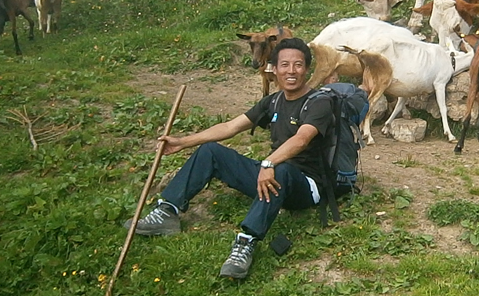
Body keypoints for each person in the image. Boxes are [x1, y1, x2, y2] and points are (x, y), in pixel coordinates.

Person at [125, 38, 333, 280]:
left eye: (298, 65)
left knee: (281, 169)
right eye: (284, 65)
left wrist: (269, 163)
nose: (291, 71)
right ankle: (167, 211)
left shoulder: (319, 102)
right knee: (210, 151)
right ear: (274, 69)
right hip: (274, 171)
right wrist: (182, 142)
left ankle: (246, 242)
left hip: (306, 185)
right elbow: (230, 127)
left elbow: (301, 139)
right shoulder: (273, 101)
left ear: (307, 69)